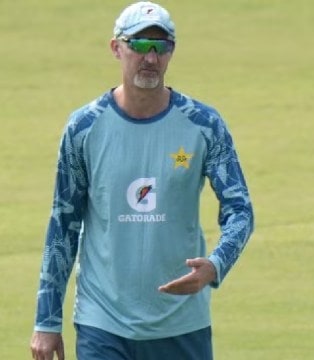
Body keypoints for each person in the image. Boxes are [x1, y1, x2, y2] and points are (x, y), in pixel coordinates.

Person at [29, 2, 254, 359]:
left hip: (182, 324)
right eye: (139, 45)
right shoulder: (84, 128)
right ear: (116, 48)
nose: (150, 58)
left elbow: (240, 210)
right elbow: (63, 223)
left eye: (160, 47)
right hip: (102, 324)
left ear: (171, 52)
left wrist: (216, 264)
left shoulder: (204, 125)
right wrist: (47, 320)